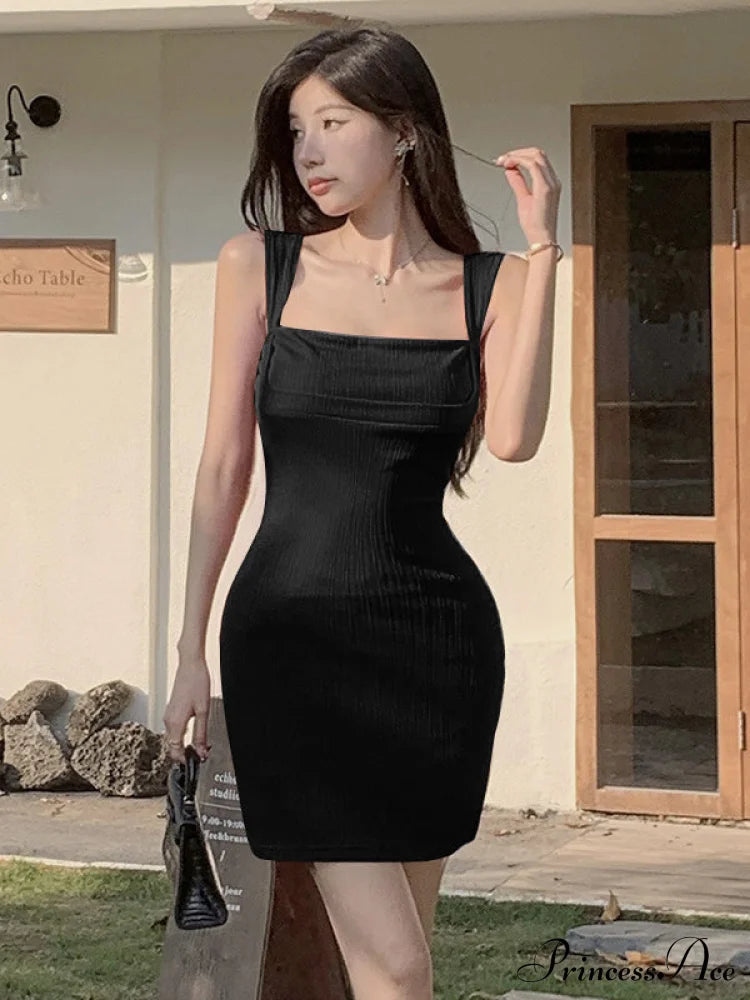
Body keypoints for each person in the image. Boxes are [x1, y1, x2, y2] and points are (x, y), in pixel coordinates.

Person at [162, 24, 561, 1000]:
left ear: (406, 130)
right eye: (296, 128)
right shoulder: (260, 266)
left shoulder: (493, 284)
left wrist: (545, 251)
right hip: (291, 647)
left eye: (333, 122)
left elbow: (513, 438)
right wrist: (189, 647)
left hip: (436, 651)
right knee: (399, 967)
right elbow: (223, 466)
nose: (308, 150)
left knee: (395, 957)